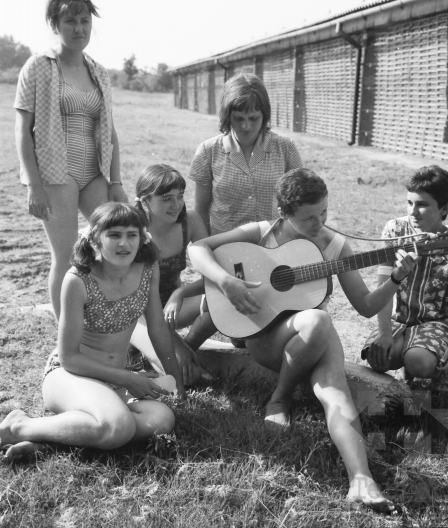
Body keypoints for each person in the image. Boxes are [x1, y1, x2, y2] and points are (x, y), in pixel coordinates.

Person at [188, 168, 418, 511]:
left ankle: (361, 480)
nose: (319, 222)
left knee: (335, 390)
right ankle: (279, 399)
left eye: (324, 212)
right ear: (284, 213)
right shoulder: (261, 232)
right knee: (318, 319)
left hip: (312, 335)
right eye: (309, 217)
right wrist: (226, 281)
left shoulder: (337, 246)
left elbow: (366, 306)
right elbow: (198, 248)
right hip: (267, 339)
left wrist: (396, 279)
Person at [0, 203, 185, 462]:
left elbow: (156, 326)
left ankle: (49, 443)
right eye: (114, 235)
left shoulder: (147, 267)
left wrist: (178, 382)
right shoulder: (78, 279)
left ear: (142, 238)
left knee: (161, 419)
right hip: (70, 376)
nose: (124, 243)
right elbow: (69, 358)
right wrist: (128, 379)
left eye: (132, 235)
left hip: (112, 381)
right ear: (95, 238)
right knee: (119, 426)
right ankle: (18, 427)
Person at [14, 0, 127, 319]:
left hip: (94, 173)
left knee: (112, 243)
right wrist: (34, 185)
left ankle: (105, 321)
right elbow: (22, 131)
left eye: (84, 20)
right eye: (69, 21)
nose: (78, 28)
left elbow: (110, 131)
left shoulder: (99, 72)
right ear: (54, 24)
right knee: (65, 256)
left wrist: (116, 180)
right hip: (55, 174)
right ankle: (66, 335)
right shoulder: (37, 67)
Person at [362, 166, 448, 383]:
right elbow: (382, 288)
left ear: (445, 208)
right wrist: (385, 332)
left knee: (419, 361)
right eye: (409, 203)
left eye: (422, 205)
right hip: (397, 319)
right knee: (379, 359)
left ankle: (427, 364)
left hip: (435, 324)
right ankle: (408, 351)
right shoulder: (394, 231)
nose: (412, 212)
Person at [130, 164, 216, 385]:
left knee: (221, 301)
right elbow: (134, 301)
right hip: (137, 315)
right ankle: (169, 354)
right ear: (144, 200)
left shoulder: (192, 220)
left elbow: (212, 276)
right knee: (189, 378)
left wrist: (181, 292)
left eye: (180, 196)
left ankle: (188, 348)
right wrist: (176, 346)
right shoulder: (132, 229)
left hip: (172, 309)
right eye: (166, 198)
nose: (176, 205)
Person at [189, 73, 303, 236]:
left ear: (264, 116)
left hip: (273, 243)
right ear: (227, 116)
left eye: (253, 118)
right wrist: (207, 247)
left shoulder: (286, 149)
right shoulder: (208, 151)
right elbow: (201, 210)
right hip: (225, 245)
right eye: (238, 118)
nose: (246, 126)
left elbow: (301, 203)